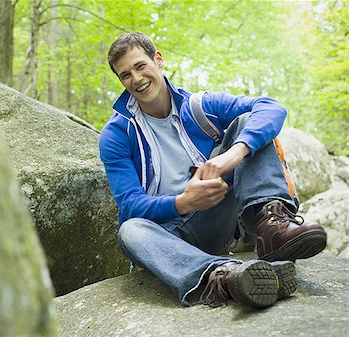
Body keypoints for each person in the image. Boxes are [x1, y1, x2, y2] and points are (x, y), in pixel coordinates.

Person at [99, 32, 327, 308]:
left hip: (218, 217)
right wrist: (182, 203)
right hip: (170, 237)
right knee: (130, 230)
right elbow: (130, 204)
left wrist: (233, 154)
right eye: (125, 75)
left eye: (140, 66)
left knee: (247, 123)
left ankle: (272, 230)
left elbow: (270, 107)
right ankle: (225, 276)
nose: (136, 79)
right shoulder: (116, 134)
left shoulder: (200, 106)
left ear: (158, 60)